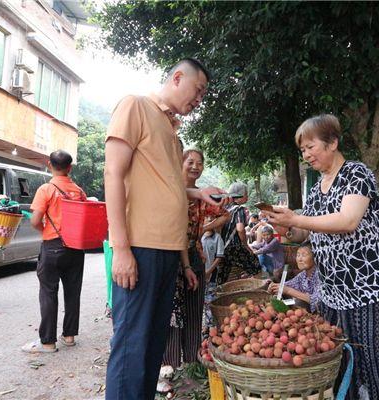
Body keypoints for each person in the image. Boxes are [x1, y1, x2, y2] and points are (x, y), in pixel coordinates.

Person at [104, 58, 227, 400]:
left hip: (168, 252)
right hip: (140, 247)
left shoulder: (173, 131)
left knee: (152, 345)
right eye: (198, 90)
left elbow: (167, 186)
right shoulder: (136, 106)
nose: (199, 100)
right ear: (177, 78)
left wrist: (198, 193)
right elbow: (113, 174)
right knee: (131, 345)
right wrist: (122, 249)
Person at [265, 114, 379, 400]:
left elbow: (347, 220)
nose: (306, 154)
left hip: (366, 291)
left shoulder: (357, 174)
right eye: (302, 150)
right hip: (331, 294)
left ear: (332, 143)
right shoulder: (317, 189)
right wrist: (286, 228)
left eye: (310, 147)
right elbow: (307, 233)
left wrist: (298, 218)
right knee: (343, 364)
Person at [162, 149, 226, 373]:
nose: (195, 166)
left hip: (194, 256)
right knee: (170, 312)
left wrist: (204, 230)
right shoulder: (169, 189)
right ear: (180, 163)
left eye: (200, 163)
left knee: (193, 308)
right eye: (190, 162)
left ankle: (191, 359)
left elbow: (224, 212)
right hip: (171, 257)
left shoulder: (201, 196)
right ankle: (168, 363)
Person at [22, 150, 87, 354]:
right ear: (70, 168)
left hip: (53, 246)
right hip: (75, 248)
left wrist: (47, 232)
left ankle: (48, 342)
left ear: (49, 164)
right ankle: (69, 336)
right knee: (72, 292)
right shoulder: (79, 191)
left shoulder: (46, 189)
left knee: (49, 293)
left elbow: (34, 221)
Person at [217, 182, 261, 284]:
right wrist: (246, 246)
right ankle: (258, 290)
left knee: (222, 274)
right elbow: (240, 229)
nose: (247, 196)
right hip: (235, 246)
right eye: (246, 194)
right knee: (256, 265)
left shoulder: (225, 208)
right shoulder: (240, 209)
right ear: (240, 196)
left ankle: (219, 293)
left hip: (222, 246)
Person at [267, 242, 320, 312]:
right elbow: (288, 285)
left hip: (317, 311)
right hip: (301, 307)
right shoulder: (303, 275)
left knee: (299, 302)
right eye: (298, 255)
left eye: (304, 255)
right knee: (283, 301)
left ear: (315, 257)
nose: (299, 259)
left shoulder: (320, 275)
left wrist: (288, 290)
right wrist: (275, 287)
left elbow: (316, 300)